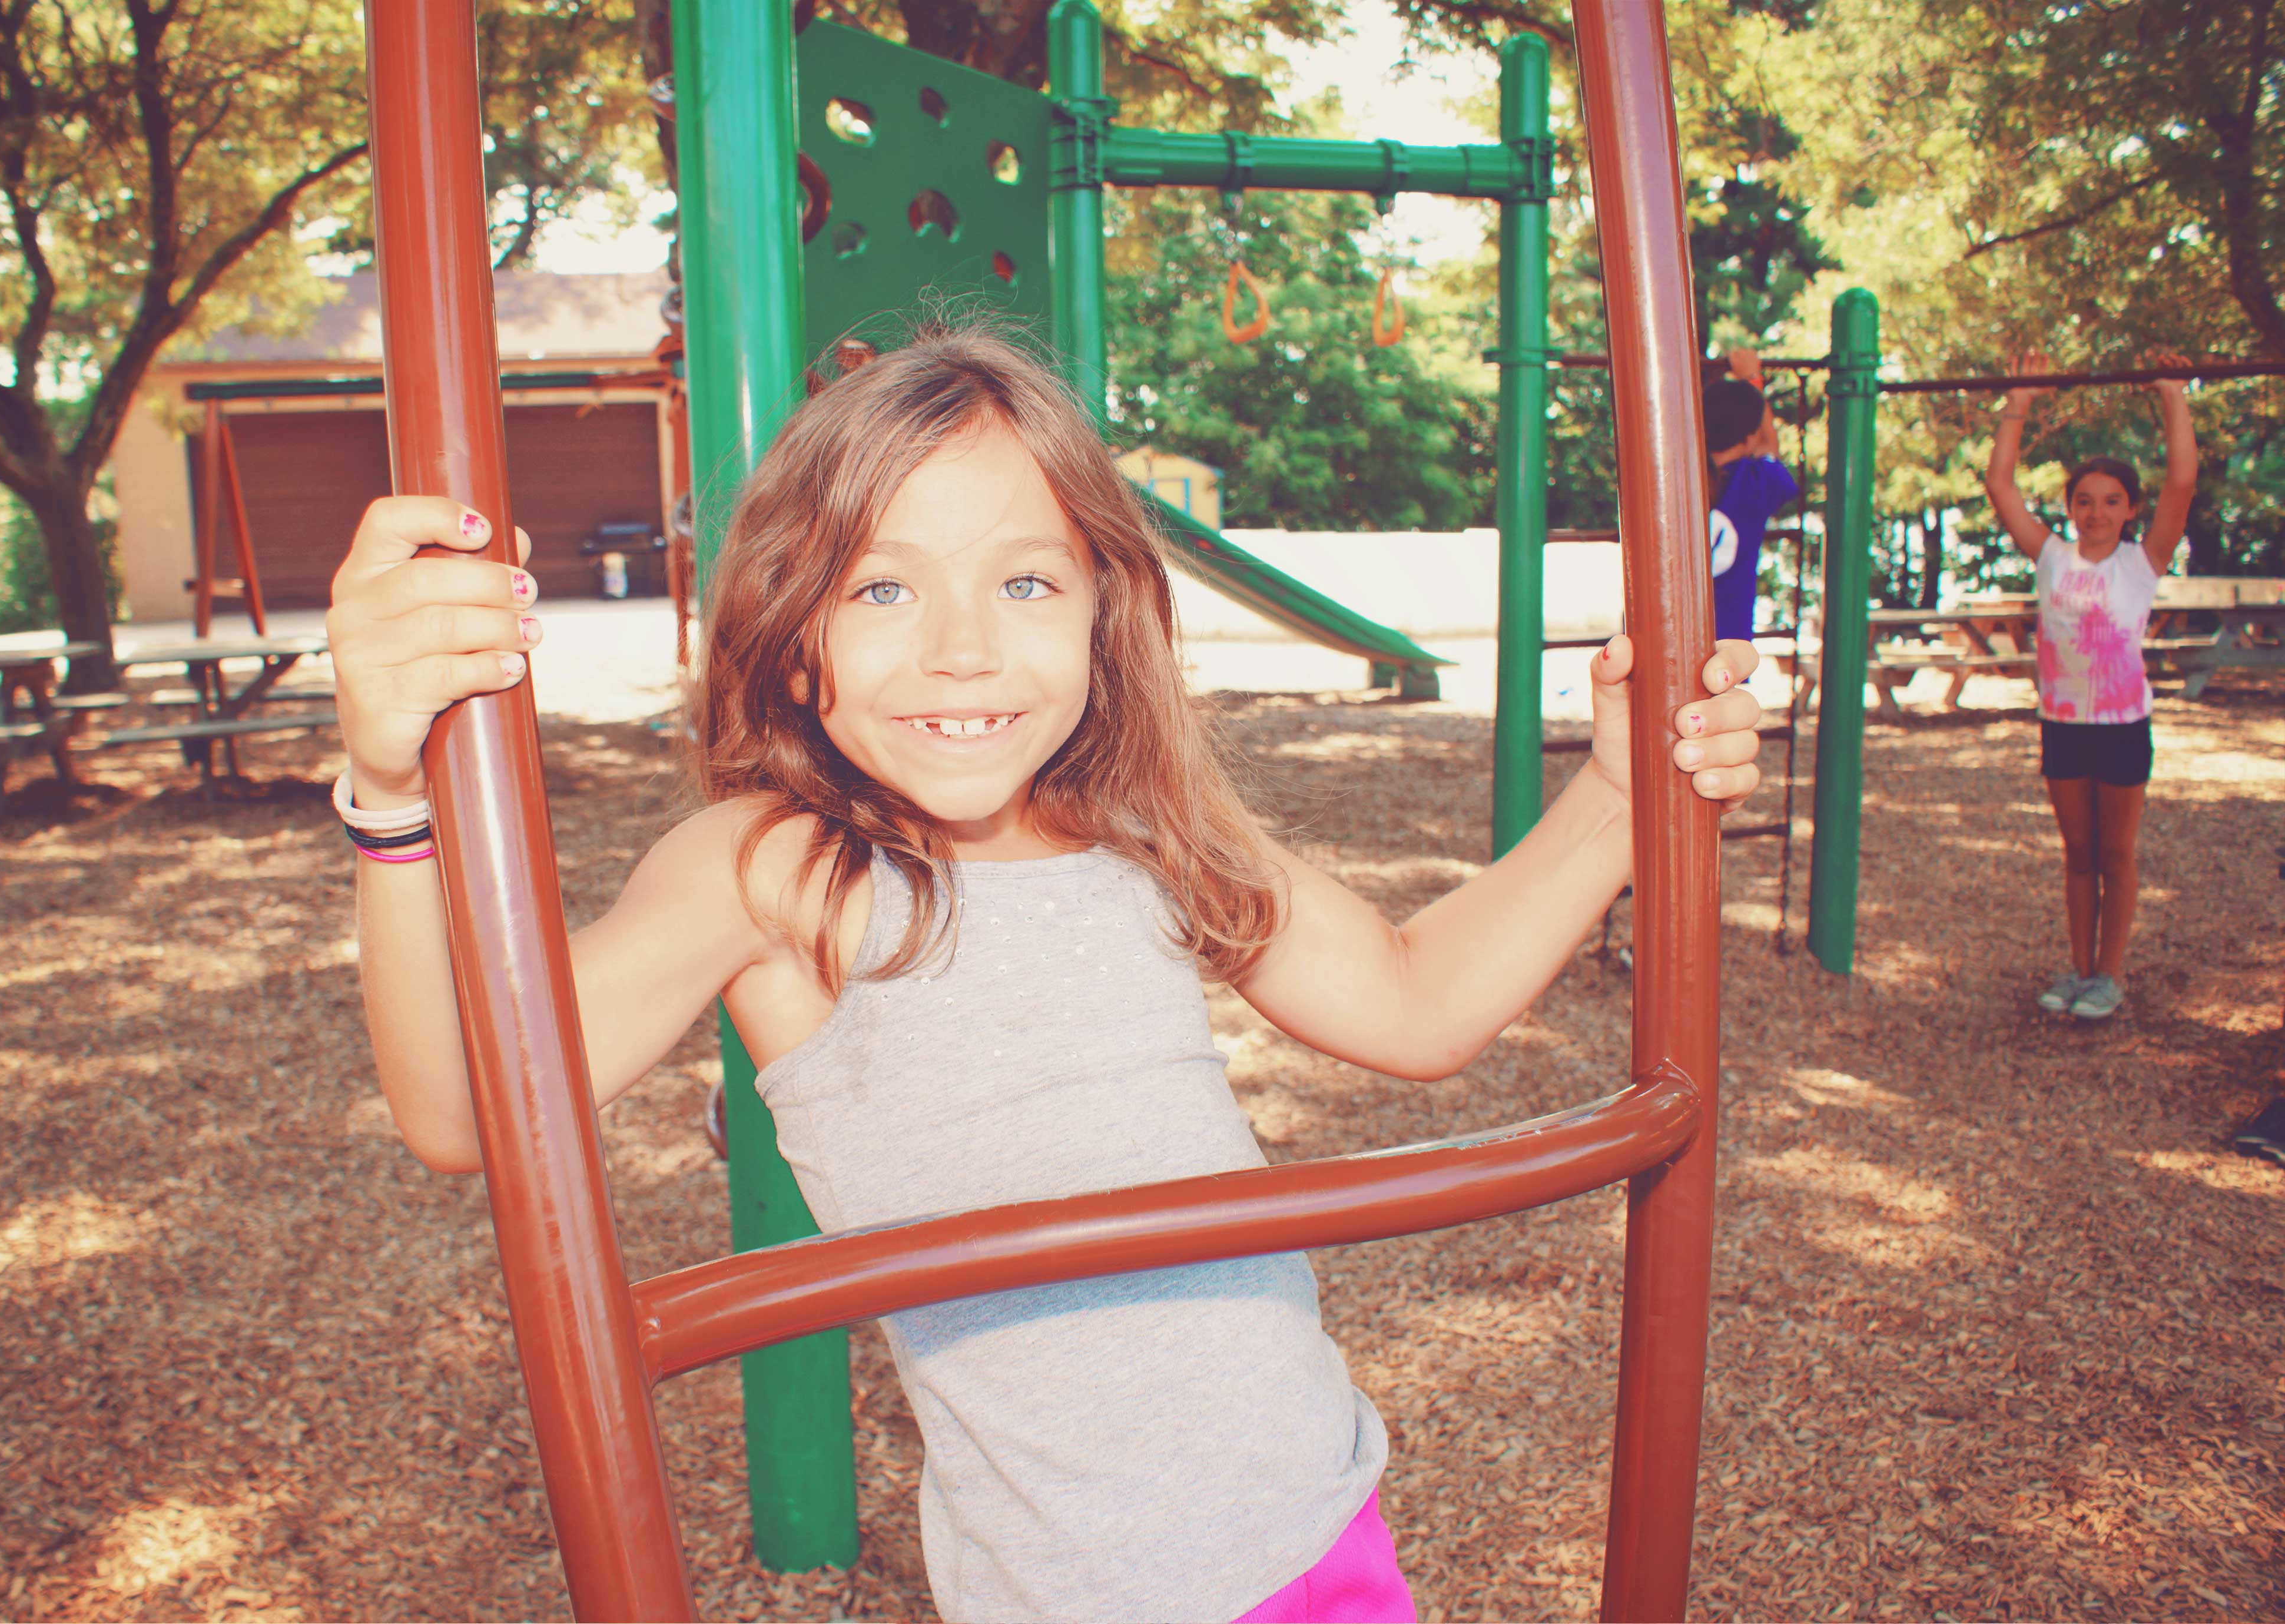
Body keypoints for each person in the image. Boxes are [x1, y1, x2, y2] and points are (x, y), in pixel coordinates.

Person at [325, 326, 1766, 1623]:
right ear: (798, 633)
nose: (961, 649)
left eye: (1023, 581)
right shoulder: (780, 871)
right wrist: (389, 785)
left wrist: (1613, 796)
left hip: (1327, 1525)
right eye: (883, 587)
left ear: (1099, 611)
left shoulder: (1146, 830)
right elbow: (466, 1107)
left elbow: (1410, 998)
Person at [1982, 350, 2198, 1022]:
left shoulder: (2142, 561)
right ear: (2071, 507)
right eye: (2085, 500)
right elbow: (2000, 485)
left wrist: (2170, 393)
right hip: (2064, 725)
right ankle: (2078, 969)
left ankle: (2111, 973)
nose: (2097, 512)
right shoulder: (2052, 555)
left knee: (2116, 853)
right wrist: (2020, 396)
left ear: (2129, 508)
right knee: (2078, 855)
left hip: (2124, 728)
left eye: (2111, 501)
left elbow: (2183, 481)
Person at [1703, 346, 1800, 645]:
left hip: (1670, 637)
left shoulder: (1680, 474)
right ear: (1749, 438)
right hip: (1728, 641)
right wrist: (1752, 378)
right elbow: (1769, 443)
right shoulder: (1754, 482)